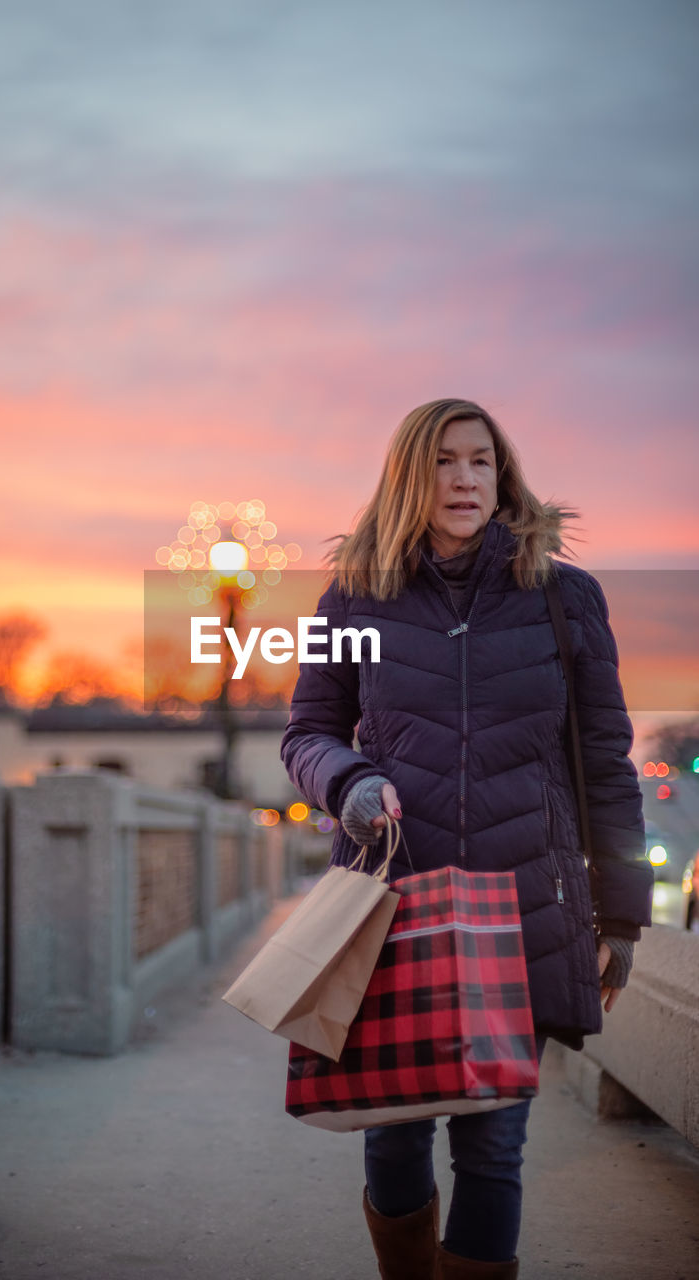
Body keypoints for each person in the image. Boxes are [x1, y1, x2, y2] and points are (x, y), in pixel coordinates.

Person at [280, 399, 653, 1280]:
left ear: (503, 476)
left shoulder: (566, 600)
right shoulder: (354, 597)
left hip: (526, 909)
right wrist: (351, 781)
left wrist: (624, 918)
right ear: (413, 476)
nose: (465, 479)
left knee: (493, 1150)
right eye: (446, 461)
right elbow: (306, 735)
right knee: (396, 1145)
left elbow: (607, 765)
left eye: (482, 461)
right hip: (394, 911)